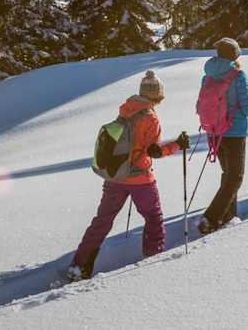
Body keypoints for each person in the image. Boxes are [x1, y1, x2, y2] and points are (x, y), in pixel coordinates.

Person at [68, 70, 189, 280]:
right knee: (153, 217)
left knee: (102, 220)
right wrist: (178, 144)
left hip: (115, 175)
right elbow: (154, 151)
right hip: (140, 178)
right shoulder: (150, 118)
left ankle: (79, 267)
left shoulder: (126, 110)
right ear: (158, 95)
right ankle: (153, 261)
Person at [197, 37, 248, 235]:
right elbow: (246, 107)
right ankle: (211, 218)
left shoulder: (208, 75)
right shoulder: (238, 75)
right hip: (234, 132)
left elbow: (200, 103)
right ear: (235, 55)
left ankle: (229, 215)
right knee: (235, 177)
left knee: (228, 174)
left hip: (213, 131)